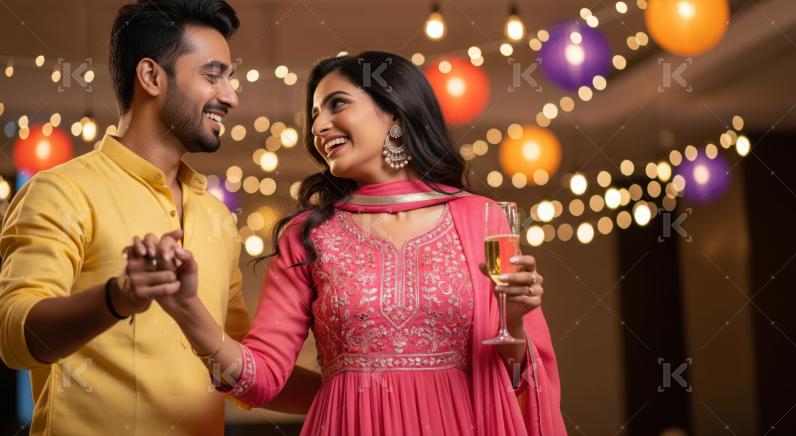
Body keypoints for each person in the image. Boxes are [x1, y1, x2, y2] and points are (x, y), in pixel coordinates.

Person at [141, 51, 567, 435]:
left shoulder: (481, 218)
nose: (319, 126)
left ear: (395, 113)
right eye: (314, 114)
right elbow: (261, 380)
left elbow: (515, 382)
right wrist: (187, 309)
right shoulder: (308, 235)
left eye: (337, 104)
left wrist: (513, 322)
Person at [0, 1, 317, 434]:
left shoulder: (217, 215)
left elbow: (245, 372)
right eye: (213, 75)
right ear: (151, 76)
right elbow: (17, 338)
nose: (230, 96)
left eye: (229, 77)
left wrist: (358, 391)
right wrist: (117, 298)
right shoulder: (60, 191)